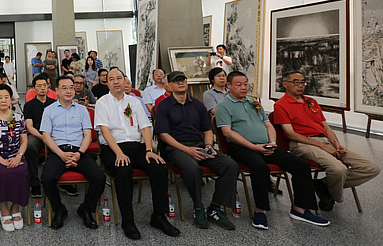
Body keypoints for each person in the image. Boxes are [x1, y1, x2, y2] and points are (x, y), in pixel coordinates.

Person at [216, 71, 329, 229]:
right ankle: (260, 211)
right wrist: (254, 147)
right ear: (228, 86)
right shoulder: (223, 106)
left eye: (245, 84)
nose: (243, 87)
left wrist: (273, 143)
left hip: (266, 145)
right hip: (242, 148)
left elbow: (268, 124)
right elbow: (227, 132)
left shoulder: (253, 102)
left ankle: (300, 209)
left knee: (301, 165)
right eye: (238, 84)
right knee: (260, 167)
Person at [274, 70, 380, 211]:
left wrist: (337, 145)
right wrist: (323, 147)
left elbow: (326, 127)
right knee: (338, 169)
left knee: (372, 168)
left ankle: (323, 185)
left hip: (325, 141)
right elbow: (291, 134)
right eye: (296, 82)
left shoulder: (312, 102)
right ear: (285, 84)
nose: (300, 85)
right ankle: (332, 193)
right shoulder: (281, 105)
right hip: (303, 144)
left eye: (303, 82)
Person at [94, 68, 179, 239]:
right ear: (107, 83)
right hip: (113, 149)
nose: (116, 81)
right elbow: (105, 131)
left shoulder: (135, 102)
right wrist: (119, 153)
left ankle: (159, 216)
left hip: (136, 147)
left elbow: (145, 127)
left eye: (119, 78)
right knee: (124, 170)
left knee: (159, 166)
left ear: (126, 81)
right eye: (112, 79)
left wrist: (149, 150)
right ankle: (128, 220)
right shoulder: (102, 103)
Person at [154, 71, 239, 230]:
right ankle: (198, 207)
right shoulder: (163, 106)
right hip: (175, 148)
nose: (181, 83)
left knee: (230, 165)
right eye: (176, 81)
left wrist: (208, 146)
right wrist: (187, 150)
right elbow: (164, 135)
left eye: (183, 80)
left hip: (200, 145)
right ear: (170, 86)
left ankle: (215, 207)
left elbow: (208, 130)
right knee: (193, 169)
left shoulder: (198, 104)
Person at [40, 76, 106, 230]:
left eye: (71, 87)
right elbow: (46, 136)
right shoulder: (49, 110)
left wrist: (79, 154)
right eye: (64, 87)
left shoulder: (82, 110)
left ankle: (87, 208)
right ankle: (59, 209)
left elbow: (88, 135)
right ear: (56, 90)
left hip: (79, 151)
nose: (69, 91)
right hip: (58, 151)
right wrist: (62, 155)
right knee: (47, 178)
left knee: (99, 178)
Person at [0, 84, 29, 231]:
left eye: (6, 97)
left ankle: (15, 208)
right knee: (1, 173)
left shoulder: (19, 117)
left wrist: (18, 157)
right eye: (0, 97)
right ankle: (4, 209)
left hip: (15, 154)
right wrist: (1, 160)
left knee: (20, 172)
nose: (3, 100)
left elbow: (24, 141)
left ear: (11, 99)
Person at [24, 74, 55, 198]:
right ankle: (35, 183)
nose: (42, 88)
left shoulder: (54, 103)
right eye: (39, 86)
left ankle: (60, 181)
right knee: (29, 146)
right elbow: (29, 127)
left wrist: (49, 137)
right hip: (37, 135)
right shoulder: (29, 105)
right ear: (34, 89)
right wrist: (43, 137)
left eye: (45, 85)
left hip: (53, 135)